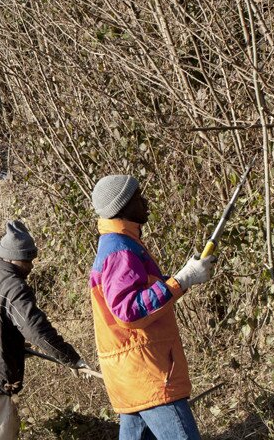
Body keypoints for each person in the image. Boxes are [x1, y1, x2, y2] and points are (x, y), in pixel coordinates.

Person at [88, 175, 217, 440]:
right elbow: (129, 310)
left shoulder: (121, 244)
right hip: (148, 373)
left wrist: (183, 279)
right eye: (138, 197)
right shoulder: (119, 249)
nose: (145, 202)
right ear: (122, 207)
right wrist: (181, 280)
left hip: (134, 374)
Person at [0, 220, 92, 440]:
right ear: (13, 258)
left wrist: (16, 345)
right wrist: (71, 358)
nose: (31, 266)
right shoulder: (13, 287)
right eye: (27, 259)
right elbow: (37, 330)